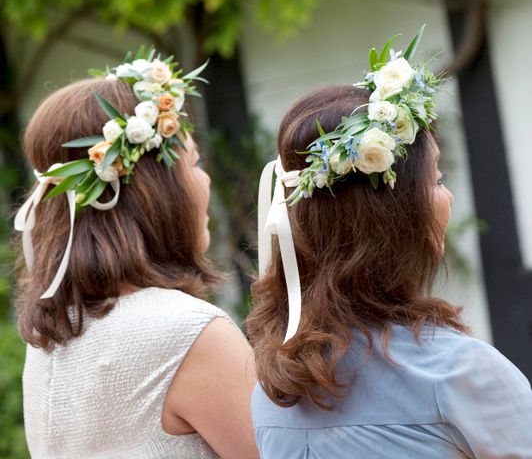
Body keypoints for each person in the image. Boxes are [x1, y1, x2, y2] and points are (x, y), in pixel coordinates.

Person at [247, 29, 532, 458]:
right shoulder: (458, 374)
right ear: (394, 219)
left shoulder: (275, 391)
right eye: (436, 180)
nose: (447, 197)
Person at [14, 50, 258, 459]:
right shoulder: (188, 330)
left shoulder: (51, 336)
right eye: (194, 162)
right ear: (154, 191)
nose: (205, 180)